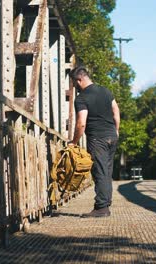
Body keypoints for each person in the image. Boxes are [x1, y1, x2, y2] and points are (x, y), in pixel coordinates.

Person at [68, 66, 120, 218]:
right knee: (107, 171)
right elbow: (116, 112)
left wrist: (74, 141)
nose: (75, 86)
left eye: (74, 83)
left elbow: (81, 123)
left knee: (100, 172)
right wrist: (116, 130)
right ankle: (105, 204)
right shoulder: (106, 91)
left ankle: (102, 208)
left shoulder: (82, 98)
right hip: (112, 136)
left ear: (79, 79)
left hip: (98, 139)